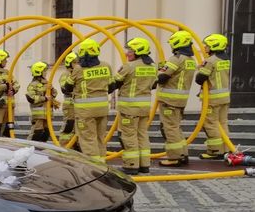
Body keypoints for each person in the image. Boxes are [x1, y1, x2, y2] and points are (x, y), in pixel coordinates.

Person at [109, 37, 157, 174]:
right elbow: (154, 85)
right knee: (142, 135)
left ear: (138, 51)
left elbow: (114, 84)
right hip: (144, 108)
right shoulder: (153, 67)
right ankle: (144, 164)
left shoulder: (128, 67)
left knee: (128, 136)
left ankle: (131, 164)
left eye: (130, 51)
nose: (127, 53)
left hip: (129, 109)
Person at [62, 38, 111, 164]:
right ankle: (102, 163)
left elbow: (67, 87)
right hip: (103, 109)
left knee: (88, 139)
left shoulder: (78, 69)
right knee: (100, 138)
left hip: (85, 111)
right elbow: (111, 86)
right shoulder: (106, 66)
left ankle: (94, 167)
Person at [156, 29, 197, 167]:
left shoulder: (176, 58)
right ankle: (182, 154)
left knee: (170, 129)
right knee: (176, 128)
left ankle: (174, 157)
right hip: (180, 100)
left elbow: (163, 78)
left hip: (169, 101)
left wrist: (159, 71)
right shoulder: (191, 60)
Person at [196, 33, 232, 159]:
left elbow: (200, 79)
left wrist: (201, 67)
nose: (205, 47)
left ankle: (215, 151)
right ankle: (226, 148)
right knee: (222, 123)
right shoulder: (226, 59)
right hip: (224, 97)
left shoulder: (211, 61)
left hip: (213, 98)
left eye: (207, 45)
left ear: (214, 45)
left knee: (210, 123)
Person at [25, 61, 55, 142]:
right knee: (36, 133)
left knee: (46, 133)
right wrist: (44, 98)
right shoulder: (33, 85)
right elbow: (31, 98)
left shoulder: (47, 83)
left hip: (47, 114)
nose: (46, 73)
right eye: (44, 71)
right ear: (39, 72)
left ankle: (40, 150)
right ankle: (29, 148)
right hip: (38, 115)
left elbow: (54, 94)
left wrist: (51, 89)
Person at [59, 52, 79, 149]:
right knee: (68, 127)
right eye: (75, 62)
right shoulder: (65, 74)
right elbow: (64, 88)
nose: (77, 64)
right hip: (69, 105)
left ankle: (76, 147)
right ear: (69, 63)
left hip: (78, 105)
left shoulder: (79, 72)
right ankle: (64, 147)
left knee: (78, 127)